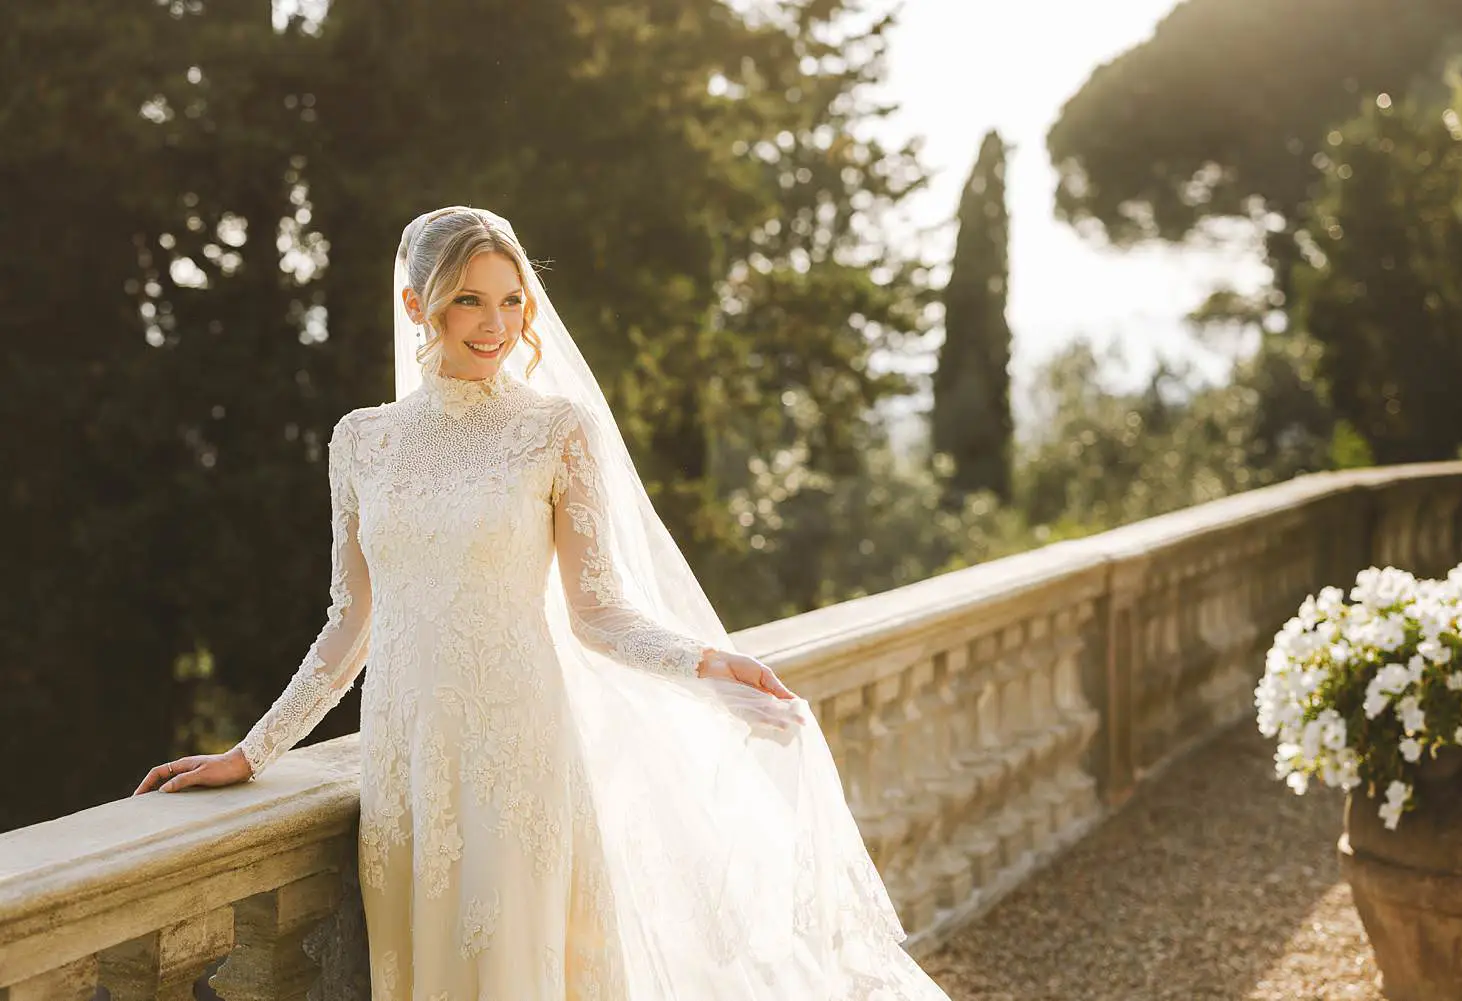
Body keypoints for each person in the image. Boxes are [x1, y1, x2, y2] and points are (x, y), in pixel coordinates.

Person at [134, 206, 954, 1000]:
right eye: (469, 299)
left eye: (511, 299)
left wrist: (708, 661)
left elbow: (597, 612)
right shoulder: (362, 440)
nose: (496, 324)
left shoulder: (554, 429)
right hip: (405, 758)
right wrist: (253, 751)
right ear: (416, 304)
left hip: (516, 750)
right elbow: (351, 623)